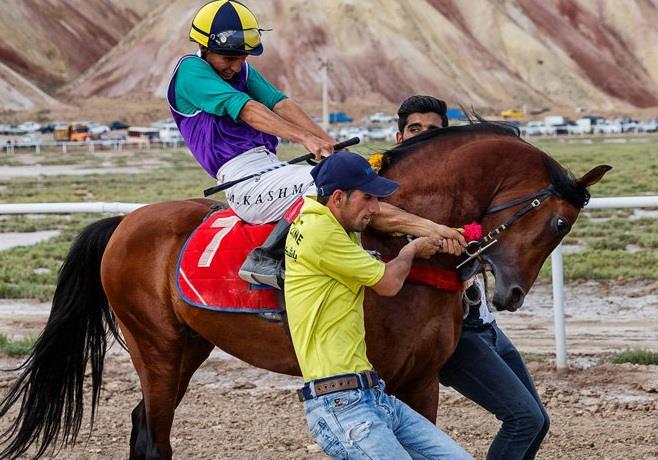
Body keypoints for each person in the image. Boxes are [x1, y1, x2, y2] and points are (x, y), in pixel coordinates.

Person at [168, 1, 466, 289]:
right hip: (241, 181)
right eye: (229, 59)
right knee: (331, 189)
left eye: (242, 58)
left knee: (354, 175)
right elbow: (246, 108)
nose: (236, 66)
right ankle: (266, 257)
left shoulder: (242, 70)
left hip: (271, 167)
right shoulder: (190, 72)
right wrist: (305, 138)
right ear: (205, 48)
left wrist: (327, 142)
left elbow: (280, 103)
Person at [284, 152, 472, 459]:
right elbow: (388, 283)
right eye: (368, 198)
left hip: (371, 396)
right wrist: (412, 250)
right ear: (338, 197)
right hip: (343, 405)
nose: (375, 209)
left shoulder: (329, 225)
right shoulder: (322, 232)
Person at [396, 95, 550, 460]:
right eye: (414, 129)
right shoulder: (393, 193)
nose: (422, 136)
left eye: (432, 131)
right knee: (525, 420)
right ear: (399, 136)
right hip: (450, 329)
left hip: (483, 322)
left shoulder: (464, 191)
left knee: (537, 421)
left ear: (446, 141)